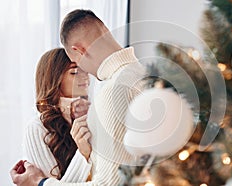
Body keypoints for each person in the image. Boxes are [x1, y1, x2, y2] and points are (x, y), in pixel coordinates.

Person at [11, 9, 145, 186]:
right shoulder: (146, 75)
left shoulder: (111, 92)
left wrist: (40, 183)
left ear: (79, 50)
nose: (86, 75)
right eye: (74, 72)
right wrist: (87, 154)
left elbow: (108, 184)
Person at [15, 48, 93, 184]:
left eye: (85, 70)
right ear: (54, 79)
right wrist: (83, 154)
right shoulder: (37, 128)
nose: (85, 76)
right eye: (74, 72)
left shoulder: (92, 116)